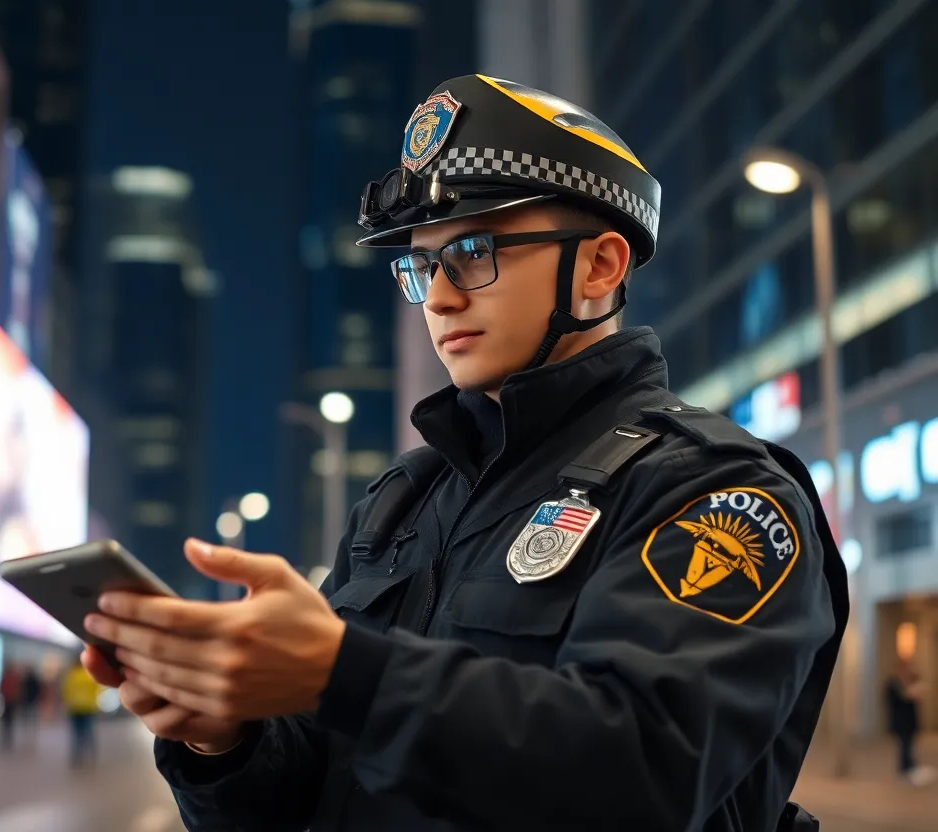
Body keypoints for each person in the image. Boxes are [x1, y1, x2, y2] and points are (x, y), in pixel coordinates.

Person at [81, 75, 849, 830]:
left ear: (600, 265)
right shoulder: (400, 504)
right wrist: (222, 739)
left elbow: (643, 771)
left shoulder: (714, 489)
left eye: (475, 253)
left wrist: (341, 670)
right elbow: (308, 791)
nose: (441, 298)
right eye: (421, 267)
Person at [886, 656, 932, 786]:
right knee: (904, 745)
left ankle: (911, 767)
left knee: (909, 745)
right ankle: (905, 770)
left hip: (909, 721)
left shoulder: (907, 681)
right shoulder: (893, 683)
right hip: (901, 721)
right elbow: (904, 696)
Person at [61, 655, 100, 767]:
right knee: (89, 732)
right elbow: (97, 688)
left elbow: (65, 691)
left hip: (74, 708)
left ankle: (77, 756)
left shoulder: (71, 675)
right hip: (88, 707)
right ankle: (92, 754)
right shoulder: (89, 675)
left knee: (76, 733)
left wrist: (67, 703)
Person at [0, 662, 21, 751]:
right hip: (8, 701)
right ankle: (7, 737)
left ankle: (7, 737)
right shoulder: (11, 678)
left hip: (9, 701)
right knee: (8, 720)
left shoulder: (9, 678)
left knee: (8, 720)